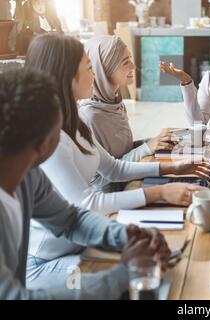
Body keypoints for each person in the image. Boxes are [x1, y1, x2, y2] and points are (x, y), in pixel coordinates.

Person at [24, 33, 210, 287]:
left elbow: (113, 168)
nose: (94, 74)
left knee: (155, 263)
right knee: (140, 276)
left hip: (77, 245)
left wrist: (172, 167)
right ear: (67, 77)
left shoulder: (73, 123)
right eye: (89, 68)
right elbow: (88, 203)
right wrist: (160, 193)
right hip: (43, 262)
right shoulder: (50, 139)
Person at [0, 68, 170, 299]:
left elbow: (70, 219)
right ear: (43, 145)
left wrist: (127, 235)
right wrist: (123, 274)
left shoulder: (28, 175)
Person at [79, 35, 176, 162]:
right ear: (104, 69)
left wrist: (154, 141)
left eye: (130, 58)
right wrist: (147, 147)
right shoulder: (90, 117)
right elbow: (106, 175)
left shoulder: (114, 103)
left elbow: (125, 151)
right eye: (125, 62)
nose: (133, 66)